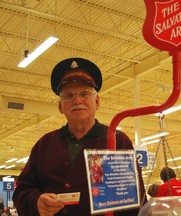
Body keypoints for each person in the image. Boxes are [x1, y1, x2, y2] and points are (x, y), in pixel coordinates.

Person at [12, 57, 147, 216]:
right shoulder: (44, 144)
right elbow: (21, 191)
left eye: (85, 94)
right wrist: (36, 202)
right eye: (68, 95)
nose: (77, 100)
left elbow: (135, 200)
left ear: (97, 101)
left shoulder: (117, 141)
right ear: (60, 106)